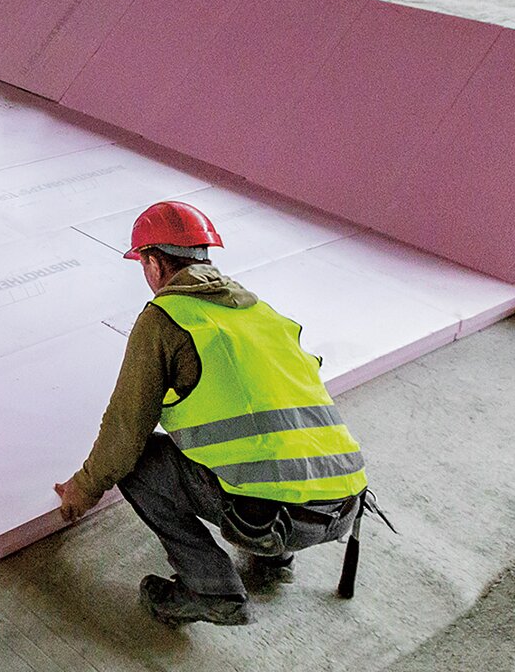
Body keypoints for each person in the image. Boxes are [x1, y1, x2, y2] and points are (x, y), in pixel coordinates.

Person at [53, 201, 370, 627]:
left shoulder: (166, 319)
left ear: (153, 263)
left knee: (139, 463)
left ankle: (210, 588)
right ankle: (276, 562)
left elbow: (124, 433)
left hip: (277, 519)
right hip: (345, 503)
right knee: (265, 451)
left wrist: (83, 488)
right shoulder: (261, 312)